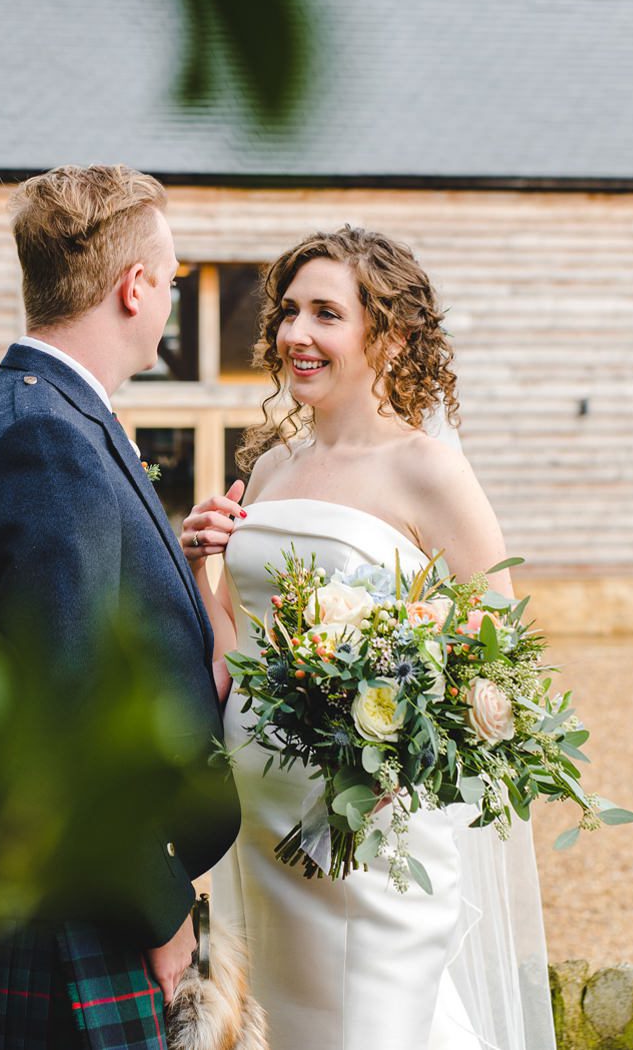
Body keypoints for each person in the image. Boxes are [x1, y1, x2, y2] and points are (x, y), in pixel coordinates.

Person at [180, 226, 556, 1050]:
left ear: (387, 336)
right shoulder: (273, 466)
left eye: (325, 314)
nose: (294, 335)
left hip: (367, 830)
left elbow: (501, 646)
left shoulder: (428, 471)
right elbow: (235, 645)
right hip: (258, 820)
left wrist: (394, 722)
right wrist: (200, 563)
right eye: (287, 312)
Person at [0, 164, 241, 1050]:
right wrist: (162, 913)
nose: (170, 298)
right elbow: (66, 716)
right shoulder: (47, 441)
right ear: (133, 289)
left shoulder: (41, 412)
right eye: (170, 280)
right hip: (65, 906)